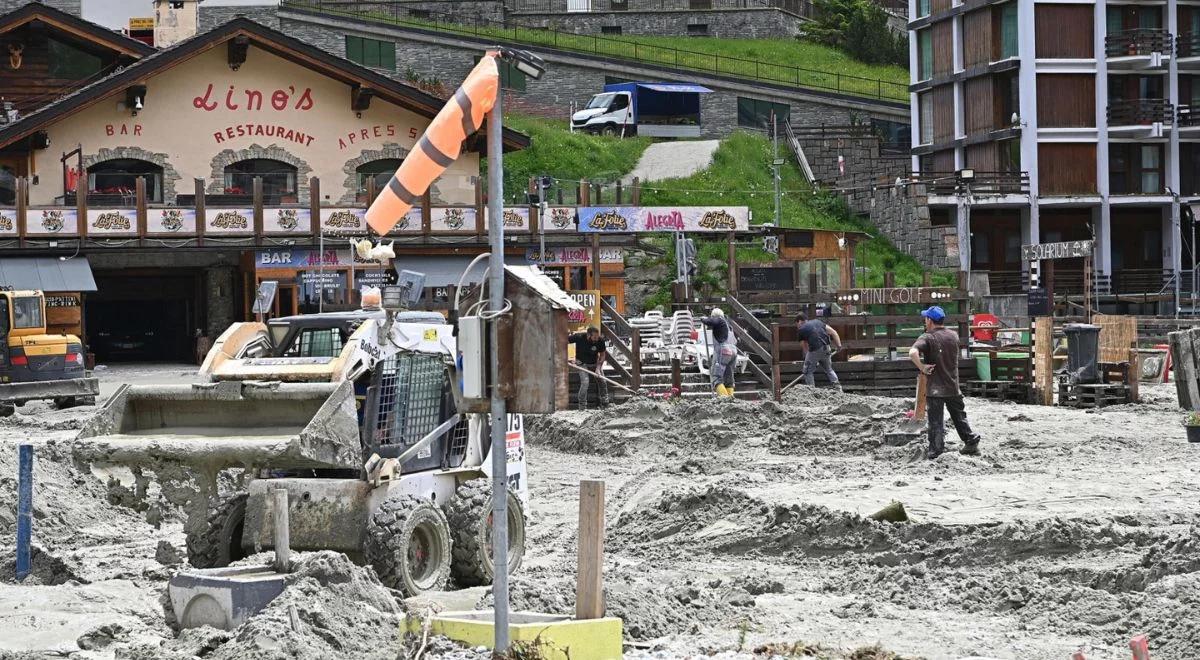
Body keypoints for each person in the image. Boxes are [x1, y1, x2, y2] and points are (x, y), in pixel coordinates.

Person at [909, 305, 982, 459]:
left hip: (935, 388)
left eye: (926, 318)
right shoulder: (953, 335)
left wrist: (922, 367)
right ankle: (971, 441)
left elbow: (912, 352)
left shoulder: (927, 337)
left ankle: (936, 451)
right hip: (953, 385)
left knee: (936, 422)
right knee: (959, 416)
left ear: (929, 320)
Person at [796, 310, 842, 390]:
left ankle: (812, 390)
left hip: (815, 349)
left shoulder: (801, 330)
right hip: (826, 347)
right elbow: (834, 332)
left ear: (799, 321)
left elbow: (805, 347)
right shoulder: (818, 322)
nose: (797, 326)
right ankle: (838, 388)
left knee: (807, 371)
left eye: (796, 324)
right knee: (829, 369)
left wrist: (810, 360)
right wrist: (839, 346)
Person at [699, 308, 737, 397]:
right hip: (733, 352)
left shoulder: (719, 320)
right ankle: (731, 398)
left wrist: (703, 319)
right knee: (729, 380)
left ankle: (725, 400)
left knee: (716, 378)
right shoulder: (728, 325)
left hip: (723, 351)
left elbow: (712, 321)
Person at [568, 326, 607, 410]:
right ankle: (582, 407)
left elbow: (603, 355)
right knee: (585, 382)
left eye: (598, 337)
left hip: (594, 363)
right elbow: (564, 341)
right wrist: (570, 358)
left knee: (602, 381)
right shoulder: (579, 337)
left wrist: (598, 368)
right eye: (594, 337)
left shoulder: (600, 340)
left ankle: (605, 404)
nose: (597, 339)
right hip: (582, 363)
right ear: (589, 335)